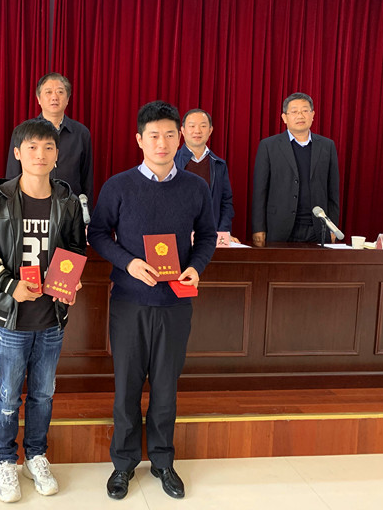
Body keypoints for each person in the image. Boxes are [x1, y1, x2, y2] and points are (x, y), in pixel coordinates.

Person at [87, 101, 217, 500]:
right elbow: (98, 234)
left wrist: (196, 266)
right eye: (154, 135)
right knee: (127, 385)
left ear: (180, 139)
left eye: (169, 135)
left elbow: (207, 236)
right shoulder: (119, 185)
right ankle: (124, 464)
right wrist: (128, 263)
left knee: (165, 387)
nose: (162, 143)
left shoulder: (195, 187)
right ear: (140, 140)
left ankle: (162, 460)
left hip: (175, 304)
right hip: (130, 302)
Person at [0, 119, 86, 503]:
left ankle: (36, 455)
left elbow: (76, 249)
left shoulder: (67, 201)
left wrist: (71, 283)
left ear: (57, 155)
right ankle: (5, 460)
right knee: (8, 394)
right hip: (13, 317)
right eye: (32, 147)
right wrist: (10, 286)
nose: (40, 154)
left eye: (48, 148)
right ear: (18, 153)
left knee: (43, 393)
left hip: (52, 316)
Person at [252, 92, 340, 246]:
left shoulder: (327, 146)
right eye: (294, 111)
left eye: (305, 110)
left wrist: (332, 227)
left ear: (313, 115)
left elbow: (333, 191)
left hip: (318, 228)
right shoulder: (268, 146)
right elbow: (260, 191)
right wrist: (259, 228)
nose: (300, 115)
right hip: (280, 226)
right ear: (284, 117)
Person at [5, 72, 93, 206]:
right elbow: (12, 175)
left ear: (68, 99)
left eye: (60, 92)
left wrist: (87, 212)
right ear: (38, 98)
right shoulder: (23, 132)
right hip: (30, 206)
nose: (54, 97)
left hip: (70, 207)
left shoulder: (81, 133)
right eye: (48, 92)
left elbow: (87, 180)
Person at [175, 108, 237, 242]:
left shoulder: (219, 165)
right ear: (183, 131)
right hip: (178, 237)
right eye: (192, 126)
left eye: (203, 126)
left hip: (210, 237)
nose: (197, 131)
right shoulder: (171, 162)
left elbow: (226, 202)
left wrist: (223, 233)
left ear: (210, 130)